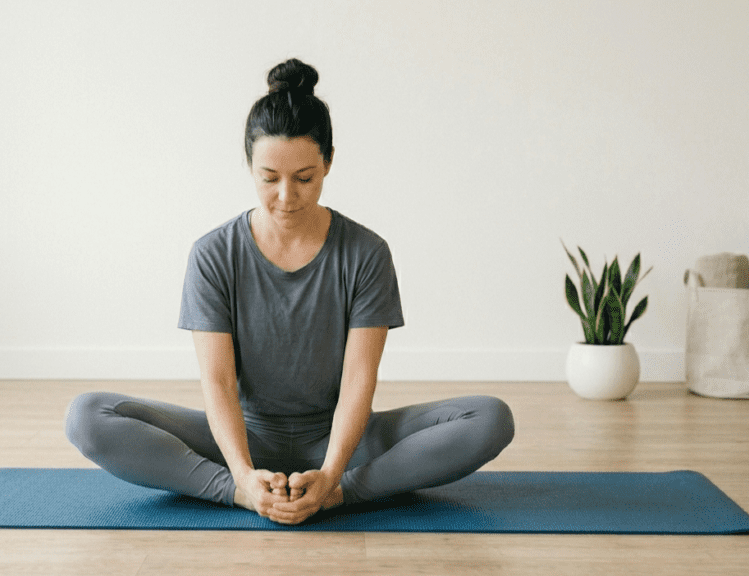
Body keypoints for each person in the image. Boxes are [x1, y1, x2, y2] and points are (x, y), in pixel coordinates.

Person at [65, 58, 514, 525]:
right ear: (249, 165)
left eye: (304, 178)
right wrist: (240, 475)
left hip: (343, 439)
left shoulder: (366, 252)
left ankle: (339, 494)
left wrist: (334, 473)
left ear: (329, 162)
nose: (286, 195)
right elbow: (217, 383)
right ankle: (239, 493)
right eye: (269, 178)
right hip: (243, 438)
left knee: (490, 418)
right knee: (87, 415)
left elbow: (360, 381)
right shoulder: (212, 254)